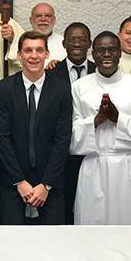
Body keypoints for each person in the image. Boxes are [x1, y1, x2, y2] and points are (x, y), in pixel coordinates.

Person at [69, 31, 131, 225]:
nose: (106, 54)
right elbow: (67, 133)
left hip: (128, 168)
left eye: (112, 49)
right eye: (100, 50)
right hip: (93, 166)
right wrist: (95, 121)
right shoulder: (79, 87)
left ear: (120, 52)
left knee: (127, 224)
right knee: (90, 225)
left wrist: (119, 120)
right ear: (92, 54)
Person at [0, 31, 72, 225]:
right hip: (14, 179)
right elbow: (2, 137)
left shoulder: (62, 90)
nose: (34, 56)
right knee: (12, 239)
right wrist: (19, 181)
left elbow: (62, 139)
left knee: (53, 241)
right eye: (28, 50)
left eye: (39, 50)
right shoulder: (4, 89)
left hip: (50, 180)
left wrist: (46, 184)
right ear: (19, 55)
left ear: (47, 53)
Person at [46, 22, 95, 223]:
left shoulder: (101, 71)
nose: (77, 44)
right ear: (64, 44)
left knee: (90, 205)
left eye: (82, 39)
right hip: (59, 153)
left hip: (90, 152)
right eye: (72, 40)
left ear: (90, 43)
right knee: (62, 208)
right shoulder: (50, 73)